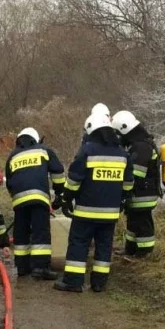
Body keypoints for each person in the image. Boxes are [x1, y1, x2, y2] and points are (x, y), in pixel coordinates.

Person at [53, 113, 134, 293]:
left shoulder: (87, 150)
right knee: (104, 247)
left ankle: (73, 281)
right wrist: (122, 200)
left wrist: (66, 198)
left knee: (78, 243)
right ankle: (99, 283)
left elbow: (74, 179)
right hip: (110, 214)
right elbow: (128, 184)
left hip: (86, 212)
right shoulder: (122, 154)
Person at [4, 128, 66, 280]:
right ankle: (40, 268)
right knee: (40, 232)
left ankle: (22, 267)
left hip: (19, 200)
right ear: (35, 139)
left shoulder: (13, 155)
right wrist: (59, 194)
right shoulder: (44, 150)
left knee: (21, 232)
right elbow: (58, 173)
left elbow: (9, 180)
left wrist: (15, 196)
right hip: (39, 199)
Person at [112, 111, 162, 258]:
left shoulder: (141, 147)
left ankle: (144, 252)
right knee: (133, 222)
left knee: (142, 223)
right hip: (138, 192)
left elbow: (137, 172)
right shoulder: (136, 144)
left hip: (143, 193)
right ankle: (130, 249)